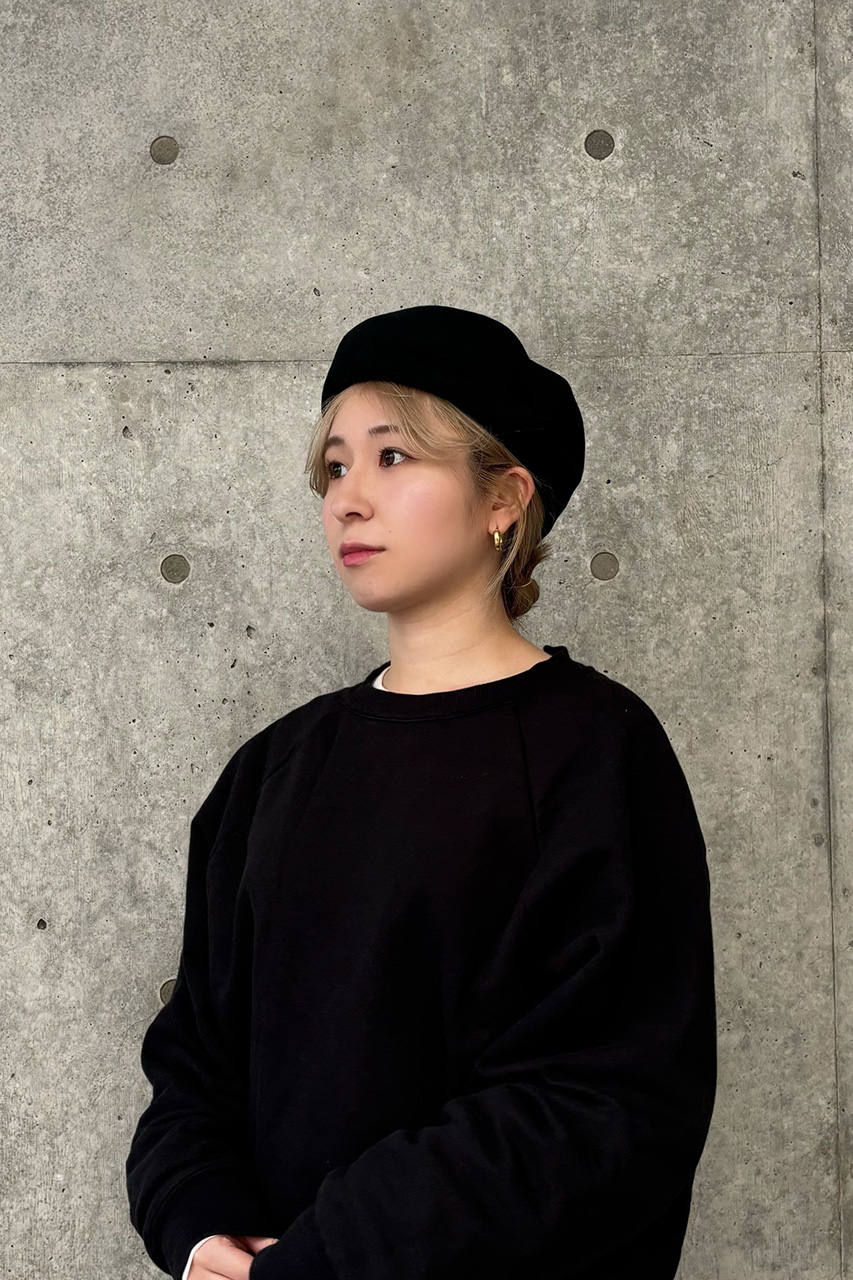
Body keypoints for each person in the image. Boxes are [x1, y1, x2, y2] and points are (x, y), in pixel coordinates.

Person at [126, 304, 717, 1280]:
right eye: (334, 467)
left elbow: (604, 1100)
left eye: (392, 456)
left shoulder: (595, 751)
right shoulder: (273, 768)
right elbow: (194, 1056)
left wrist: (328, 1255)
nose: (348, 499)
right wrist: (200, 1230)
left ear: (503, 499)